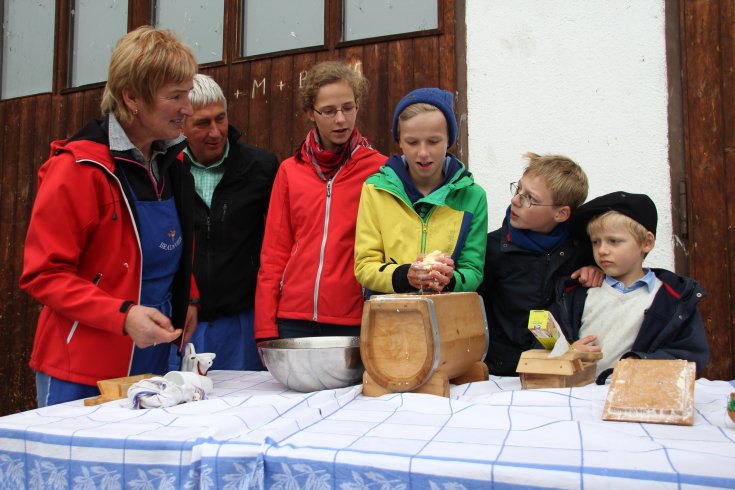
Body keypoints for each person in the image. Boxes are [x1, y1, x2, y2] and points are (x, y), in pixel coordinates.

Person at [19, 26, 199, 407]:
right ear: (132, 97)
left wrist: (191, 298)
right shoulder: (78, 168)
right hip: (82, 373)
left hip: (152, 366)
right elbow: (44, 274)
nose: (188, 107)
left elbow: (169, 248)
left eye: (188, 93)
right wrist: (123, 315)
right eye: (176, 96)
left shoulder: (173, 164)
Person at [254, 61, 387, 340]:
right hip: (293, 319)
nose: (340, 119)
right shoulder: (290, 171)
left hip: (353, 318)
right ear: (309, 113)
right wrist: (265, 327)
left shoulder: (379, 171)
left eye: (348, 108)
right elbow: (274, 255)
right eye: (328, 111)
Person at [550, 191, 710, 380]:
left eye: (614, 241)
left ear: (647, 243)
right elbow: (544, 345)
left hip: (637, 398)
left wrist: (640, 363)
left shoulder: (673, 297)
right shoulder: (577, 293)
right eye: (596, 242)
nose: (602, 250)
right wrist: (566, 352)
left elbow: (690, 354)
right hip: (578, 394)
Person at [179, 74, 279, 370]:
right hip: (185, 320)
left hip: (242, 322)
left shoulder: (260, 167)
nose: (215, 132)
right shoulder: (167, 171)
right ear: (181, 123)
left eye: (220, 119)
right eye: (202, 123)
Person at [477, 153, 603, 376]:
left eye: (530, 199)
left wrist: (597, 269)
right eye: (518, 190)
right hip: (503, 373)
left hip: (562, 369)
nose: (515, 201)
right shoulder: (492, 249)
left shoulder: (580, 249)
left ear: (561, 214)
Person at [354, 88, 488, 295]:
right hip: (390, 320)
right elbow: (364, 266)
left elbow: (473, 270)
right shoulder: (375, 190)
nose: (423, 153)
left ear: (449, 140)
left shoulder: (472, 196)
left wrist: (449, 280)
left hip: (447, 320)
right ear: (399, 141)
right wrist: (405, 276)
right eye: (412, 142)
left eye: (433, 141)